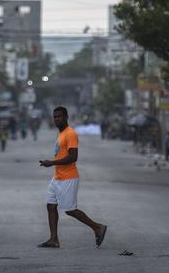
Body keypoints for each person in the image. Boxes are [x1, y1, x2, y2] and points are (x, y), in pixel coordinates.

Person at [38, 106, 107, 249]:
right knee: (51, 206)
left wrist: (52, 162)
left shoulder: (70, 134)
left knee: (70, 210)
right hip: (57, 177)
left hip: (68, 177)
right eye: (55, 117)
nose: (57, 119)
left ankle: (97, 227)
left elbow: (73, 157)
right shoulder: (61, 133)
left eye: (59, 116)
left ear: (66, 117)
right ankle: (53, 239)